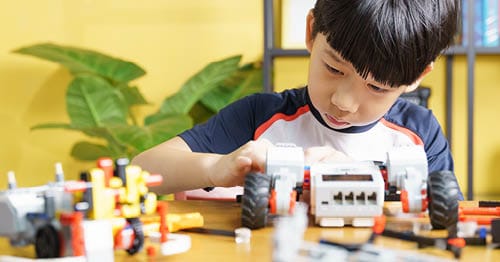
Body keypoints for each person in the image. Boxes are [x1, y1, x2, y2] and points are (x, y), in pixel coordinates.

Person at [132, 0, 463, 199]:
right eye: (334, 68)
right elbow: (140, 169)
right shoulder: (258, 117)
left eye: (377, 88)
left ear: (418, 75)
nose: (344, 101)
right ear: (311, 32)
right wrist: (215, 166)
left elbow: (444, 218)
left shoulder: (419, 137)